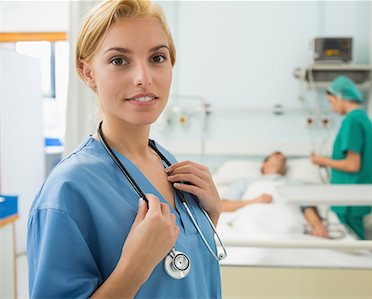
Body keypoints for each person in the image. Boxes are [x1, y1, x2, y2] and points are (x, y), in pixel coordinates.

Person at [27, 1, 222, 297]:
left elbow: (184, 273)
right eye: (119, 60)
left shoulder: (169, 163)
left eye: (157, 57)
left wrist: (211, 216)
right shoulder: (67, 191)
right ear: (87, 72)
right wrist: (134, 268)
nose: (144, 77)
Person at [310, 75, 372, 240]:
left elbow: (352, 165)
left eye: (331, 102)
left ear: (340, 97)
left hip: (348, 197)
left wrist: (321, 161)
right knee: (355, 245)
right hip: (356, 196)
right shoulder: (363, 118)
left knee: (352, 248)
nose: (331, 108)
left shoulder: (351, 121)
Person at [221, 151, 329, 238]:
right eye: (276, 155)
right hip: (253, 215)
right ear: (264, 163)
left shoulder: (296, 184)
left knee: (288, 227)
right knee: (250, 225)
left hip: (287, 217)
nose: (281, 158)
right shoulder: (244, 181)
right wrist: (254, 201)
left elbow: (307, 208)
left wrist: (318, 225)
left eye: (283, 159)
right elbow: (223, 206)